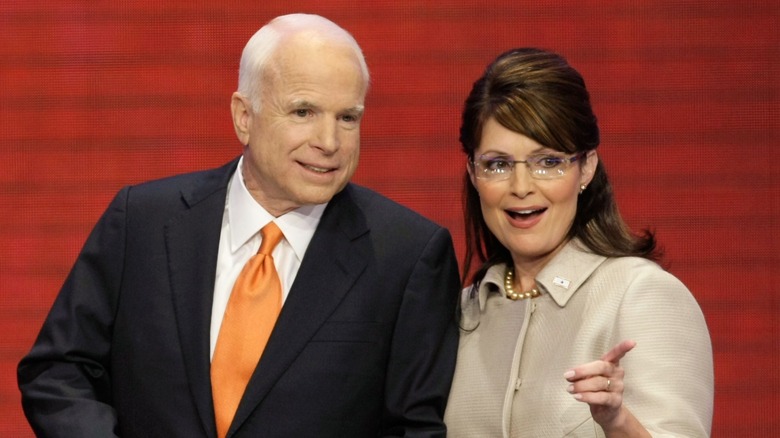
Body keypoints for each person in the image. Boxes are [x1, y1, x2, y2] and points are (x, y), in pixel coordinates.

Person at [18, 13, 460, 437]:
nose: (329, 143)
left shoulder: (408, 255)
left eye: (348, 117)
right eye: (303, 112)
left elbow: (413, 428)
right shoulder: (143, 221)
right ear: (244, 117)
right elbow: (59, 371)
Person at [443, 48, 713, 437]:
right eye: (498, 164)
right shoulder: (461, 314)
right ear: (473, 172)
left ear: (586, 166)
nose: (521, 187)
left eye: (548, 162)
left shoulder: (643, 296)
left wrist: (618, 424)